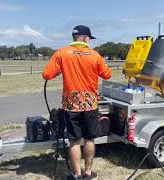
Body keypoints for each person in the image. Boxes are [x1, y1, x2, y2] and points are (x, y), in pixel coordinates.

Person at [42, 25, 112, 180]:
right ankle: (88, 173)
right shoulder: (94, 55)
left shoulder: (62, 53)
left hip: (70, 105)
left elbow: (46, 74)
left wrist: (63, 68)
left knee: (74, 140)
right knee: (89, 139)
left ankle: (76, 175)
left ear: (74, 37)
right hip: (90, 105)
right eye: (89, 39)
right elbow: (107, 74)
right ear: (86, 38)